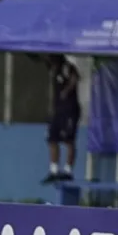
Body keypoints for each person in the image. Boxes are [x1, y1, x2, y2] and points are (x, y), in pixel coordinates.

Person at [42, 54, 80, 184]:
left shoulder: (67, 67)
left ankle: (68, 171)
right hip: (57, 110)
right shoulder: (53, 69)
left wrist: (67, 90)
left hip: (69, 110)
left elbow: (75, 78)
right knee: (52, 139)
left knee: (69, 140)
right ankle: (54, 170)